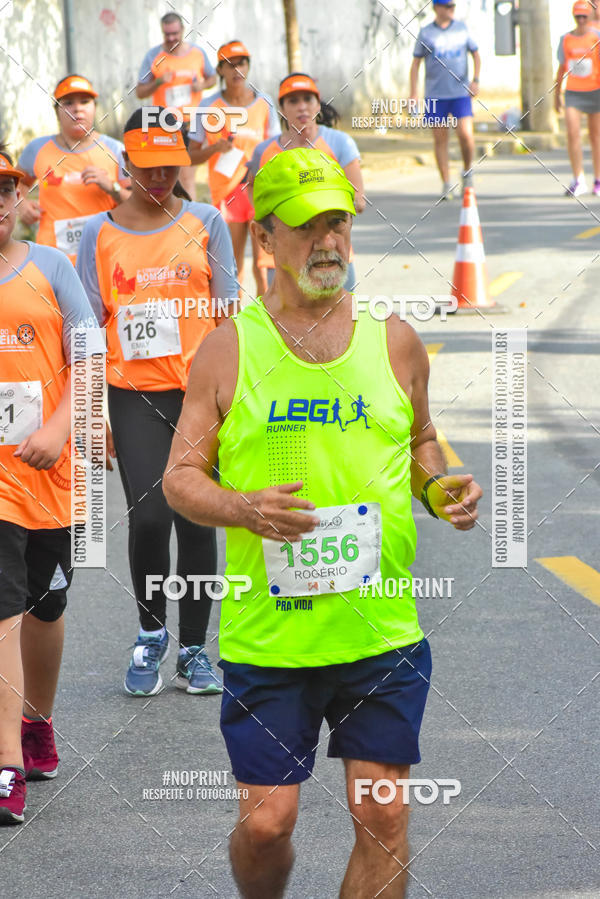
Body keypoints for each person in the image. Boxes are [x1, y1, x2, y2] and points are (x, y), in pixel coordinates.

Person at [163, 148, 483, 897]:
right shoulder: (229, 350)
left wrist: (442, 490)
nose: (328, 240)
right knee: (268, 825)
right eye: (307, 226)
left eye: (337, 221)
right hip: (271, 639)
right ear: (266, 241)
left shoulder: (394, 339)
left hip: (379, 634)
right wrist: (244, 508)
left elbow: (419, 443)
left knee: (386, 820)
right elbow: (178, 478)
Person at [77, 109, 238, 697]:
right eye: (148, 167)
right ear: (125, 165)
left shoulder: (207, 222)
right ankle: (151, 634)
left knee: (198, 517)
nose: (160, 177)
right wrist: (92, 412)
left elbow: (229, 315)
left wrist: (233, 396)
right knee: (149, 517)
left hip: (200, 396)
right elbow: (90, 328)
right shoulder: (98, 232)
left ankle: (195, 647)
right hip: (133, 396)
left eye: (170, 165)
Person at [0, 144, 103, 825]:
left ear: (18, 201)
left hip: (49, 469)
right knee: (3, 605)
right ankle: (6, 760)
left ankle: (38, 719)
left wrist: (63, 429)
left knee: (46, 605)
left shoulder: (53, 267)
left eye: (6, 191)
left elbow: (91, 355)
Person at [246, 72, 365, 292]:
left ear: (318, 105)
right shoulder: (264, 151)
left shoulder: (339, 143)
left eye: (307, 99)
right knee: (285, 323)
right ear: (281, 109)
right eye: (293, 101)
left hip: (332, 255)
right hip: (283, 257)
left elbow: (359, 201)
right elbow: (251, 187)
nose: (302, 107)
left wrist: (317, 204)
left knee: (343, 322)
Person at [187, 40, 279, 292]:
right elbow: (190, 156)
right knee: (231, 267)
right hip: (227, 194)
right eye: (230, 65)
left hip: (260, 190)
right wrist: (214, 149)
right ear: (220, 71)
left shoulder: (264, 103)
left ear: (248, 67)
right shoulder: (207, 107)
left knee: (264, 265)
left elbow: (277, 148)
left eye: (241, 63)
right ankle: (235, 326)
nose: (236, 70)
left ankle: (267, 322)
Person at [17, 74, 131, 264]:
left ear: (95, 108)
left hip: (105, 259)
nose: (77, 108)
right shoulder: (36, 149)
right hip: (53, 261)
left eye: (85, 102)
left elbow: (139, 204)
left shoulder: (116, 150)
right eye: (68, 103)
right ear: (56, 111)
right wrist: (21, 206)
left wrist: (112, 187)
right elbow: (14, 185)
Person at [136, 10, 216, 200]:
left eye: (175, 34)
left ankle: (190, 217)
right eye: (167, 35)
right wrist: (158, 82)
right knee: (166, 176)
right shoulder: (154, 56)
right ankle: (170, 217)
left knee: (187, 175)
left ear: (182, 31)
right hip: (164, 124)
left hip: (191, 124)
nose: (171, 38)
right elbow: (140, 92)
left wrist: (202, 85)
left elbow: (212, 77)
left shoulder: (197, 53)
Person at [409, 0, 481, 200]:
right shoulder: (426, 33)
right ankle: (447, 183)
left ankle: (467, 171)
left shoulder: (462, 29)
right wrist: (413, 93)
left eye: (453, 6)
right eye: (447, 6)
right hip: (435, 95)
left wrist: (475, 80)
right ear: (436, 8)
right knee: (440, 139)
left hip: (460, 93)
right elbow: (415, 64)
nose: (451, 10)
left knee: (466, 135)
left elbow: (476, 55)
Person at [554, 1, 600, 197]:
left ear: (589, 17)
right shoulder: (566, 39)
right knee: (572, 133)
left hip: (594, 90)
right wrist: (557, 95)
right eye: (577, 17)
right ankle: (578, 179)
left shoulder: (596, 38)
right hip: (573, 92)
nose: (581, 21)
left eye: (584, 17)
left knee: (595, 136)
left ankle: (597, 180)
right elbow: (561, 68)